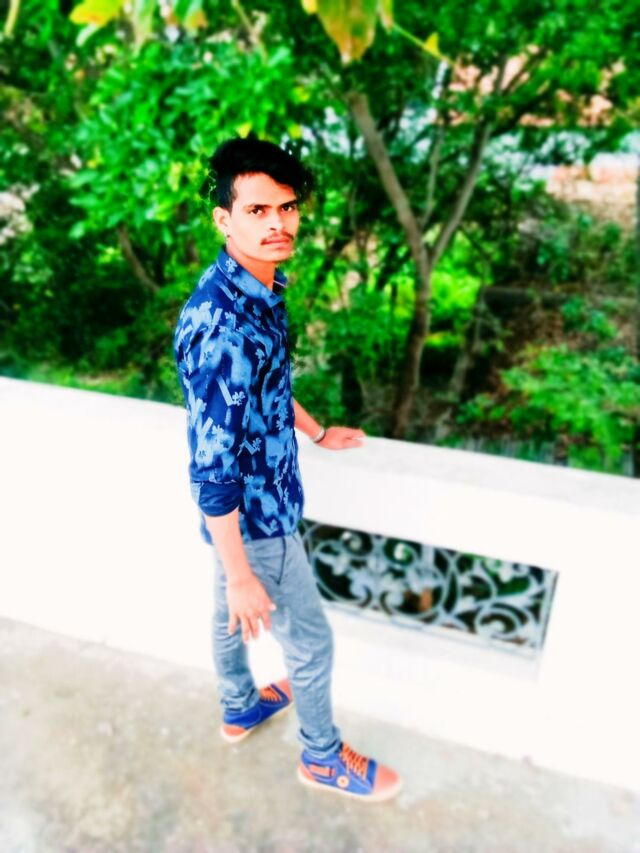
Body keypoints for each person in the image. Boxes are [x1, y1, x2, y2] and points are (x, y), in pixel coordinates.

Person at [173, 134, 401, 803]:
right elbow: (211, 466)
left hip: (247, 511)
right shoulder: (224, 327)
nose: (278, 223)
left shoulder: (256, 288)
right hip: (255, 518)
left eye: (288, 207)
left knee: (228, 614)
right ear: (224, 218)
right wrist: (244, 569)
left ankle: (239, 705)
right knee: (310, 642)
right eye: (257, 210)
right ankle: (322, 757)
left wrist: (317, 431)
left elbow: (268, 389)